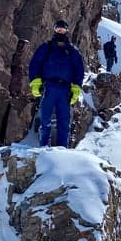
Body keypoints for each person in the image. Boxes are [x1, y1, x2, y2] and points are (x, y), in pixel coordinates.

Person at [28, 19, 84, 147]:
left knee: (64, 122)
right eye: (58, 29)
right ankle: (43, 148)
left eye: (63, 29)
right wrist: (36, 83)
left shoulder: (72, 51)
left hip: (65, 89)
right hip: (48, 87)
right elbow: (35, 64)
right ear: (54, 30)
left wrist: (76, 88)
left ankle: (62, 150)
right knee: (45, 120)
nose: (60, 31)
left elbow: (79, 70)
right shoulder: (46, 48)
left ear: (67, 31)